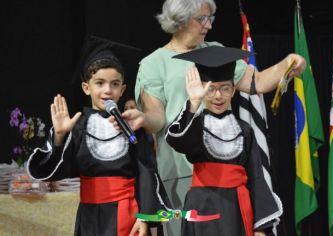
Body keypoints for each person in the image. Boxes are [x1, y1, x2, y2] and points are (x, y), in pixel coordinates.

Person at [120, 0, 305, 235]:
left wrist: (287, 64)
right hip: (180, 172)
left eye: (211, 19)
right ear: (180, 19)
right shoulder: (153, 64)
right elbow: (158, 118)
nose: (208, 25)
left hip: (224, 168)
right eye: (202, 19)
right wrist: (143, 119)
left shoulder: (215, 52)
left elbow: (256, 81)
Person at [26, 35, 170, 236]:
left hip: (127, 213)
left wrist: (145, 217)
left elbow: (146, 172)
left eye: (114, 84)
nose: (107, 91)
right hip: (90, 217)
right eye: (99, 83)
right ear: (87, 87)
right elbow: (57, 172)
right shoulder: (78, 126)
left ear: (123, 89)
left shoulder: (131, 125)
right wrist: (60, 136)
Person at [165, 46, 282, 236]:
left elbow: (256, 177)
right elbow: (181, 143)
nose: (218, 96)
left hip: (236, 206)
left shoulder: (244, 130)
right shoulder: (196, 125)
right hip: (202, 206)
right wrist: (194, 102)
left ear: (234, 90)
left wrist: (260, 227)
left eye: (224, 89)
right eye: (210, 89)